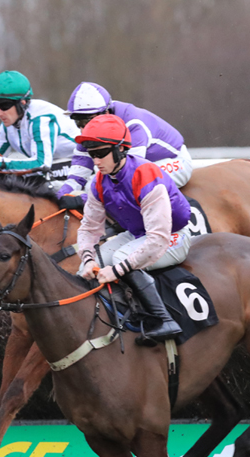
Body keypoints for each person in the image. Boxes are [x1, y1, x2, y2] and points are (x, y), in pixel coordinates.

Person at [74, 115, 192, 344]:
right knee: (92, 262)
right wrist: (88, 260)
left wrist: (117, 271)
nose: (95, 161)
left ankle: (164, 319)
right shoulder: (98, 182)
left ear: (120, 149)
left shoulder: (145, 175)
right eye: (91, 154)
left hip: (172, 236)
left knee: (119, 259)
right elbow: (89, 229)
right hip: (139, 234)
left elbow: (157, 239)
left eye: (100, 153)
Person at [57, 82, 193, 209]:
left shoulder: (133, 124)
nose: (84, 128)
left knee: (139, 184)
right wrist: (60, 194)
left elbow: (130, 175)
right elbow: (79, 170)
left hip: (175, 161)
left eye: (87, 121)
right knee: (93, 184)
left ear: (106, 112)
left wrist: (84, 200)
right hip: (144, 164)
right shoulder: (93, 127)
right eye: (79, 123)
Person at [0, 70, 78, 189]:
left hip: (80, 164)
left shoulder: (40, 120)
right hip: (51, 167)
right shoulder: (8, 125)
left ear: (22, 103)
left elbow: (41, 164)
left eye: (3, 106)